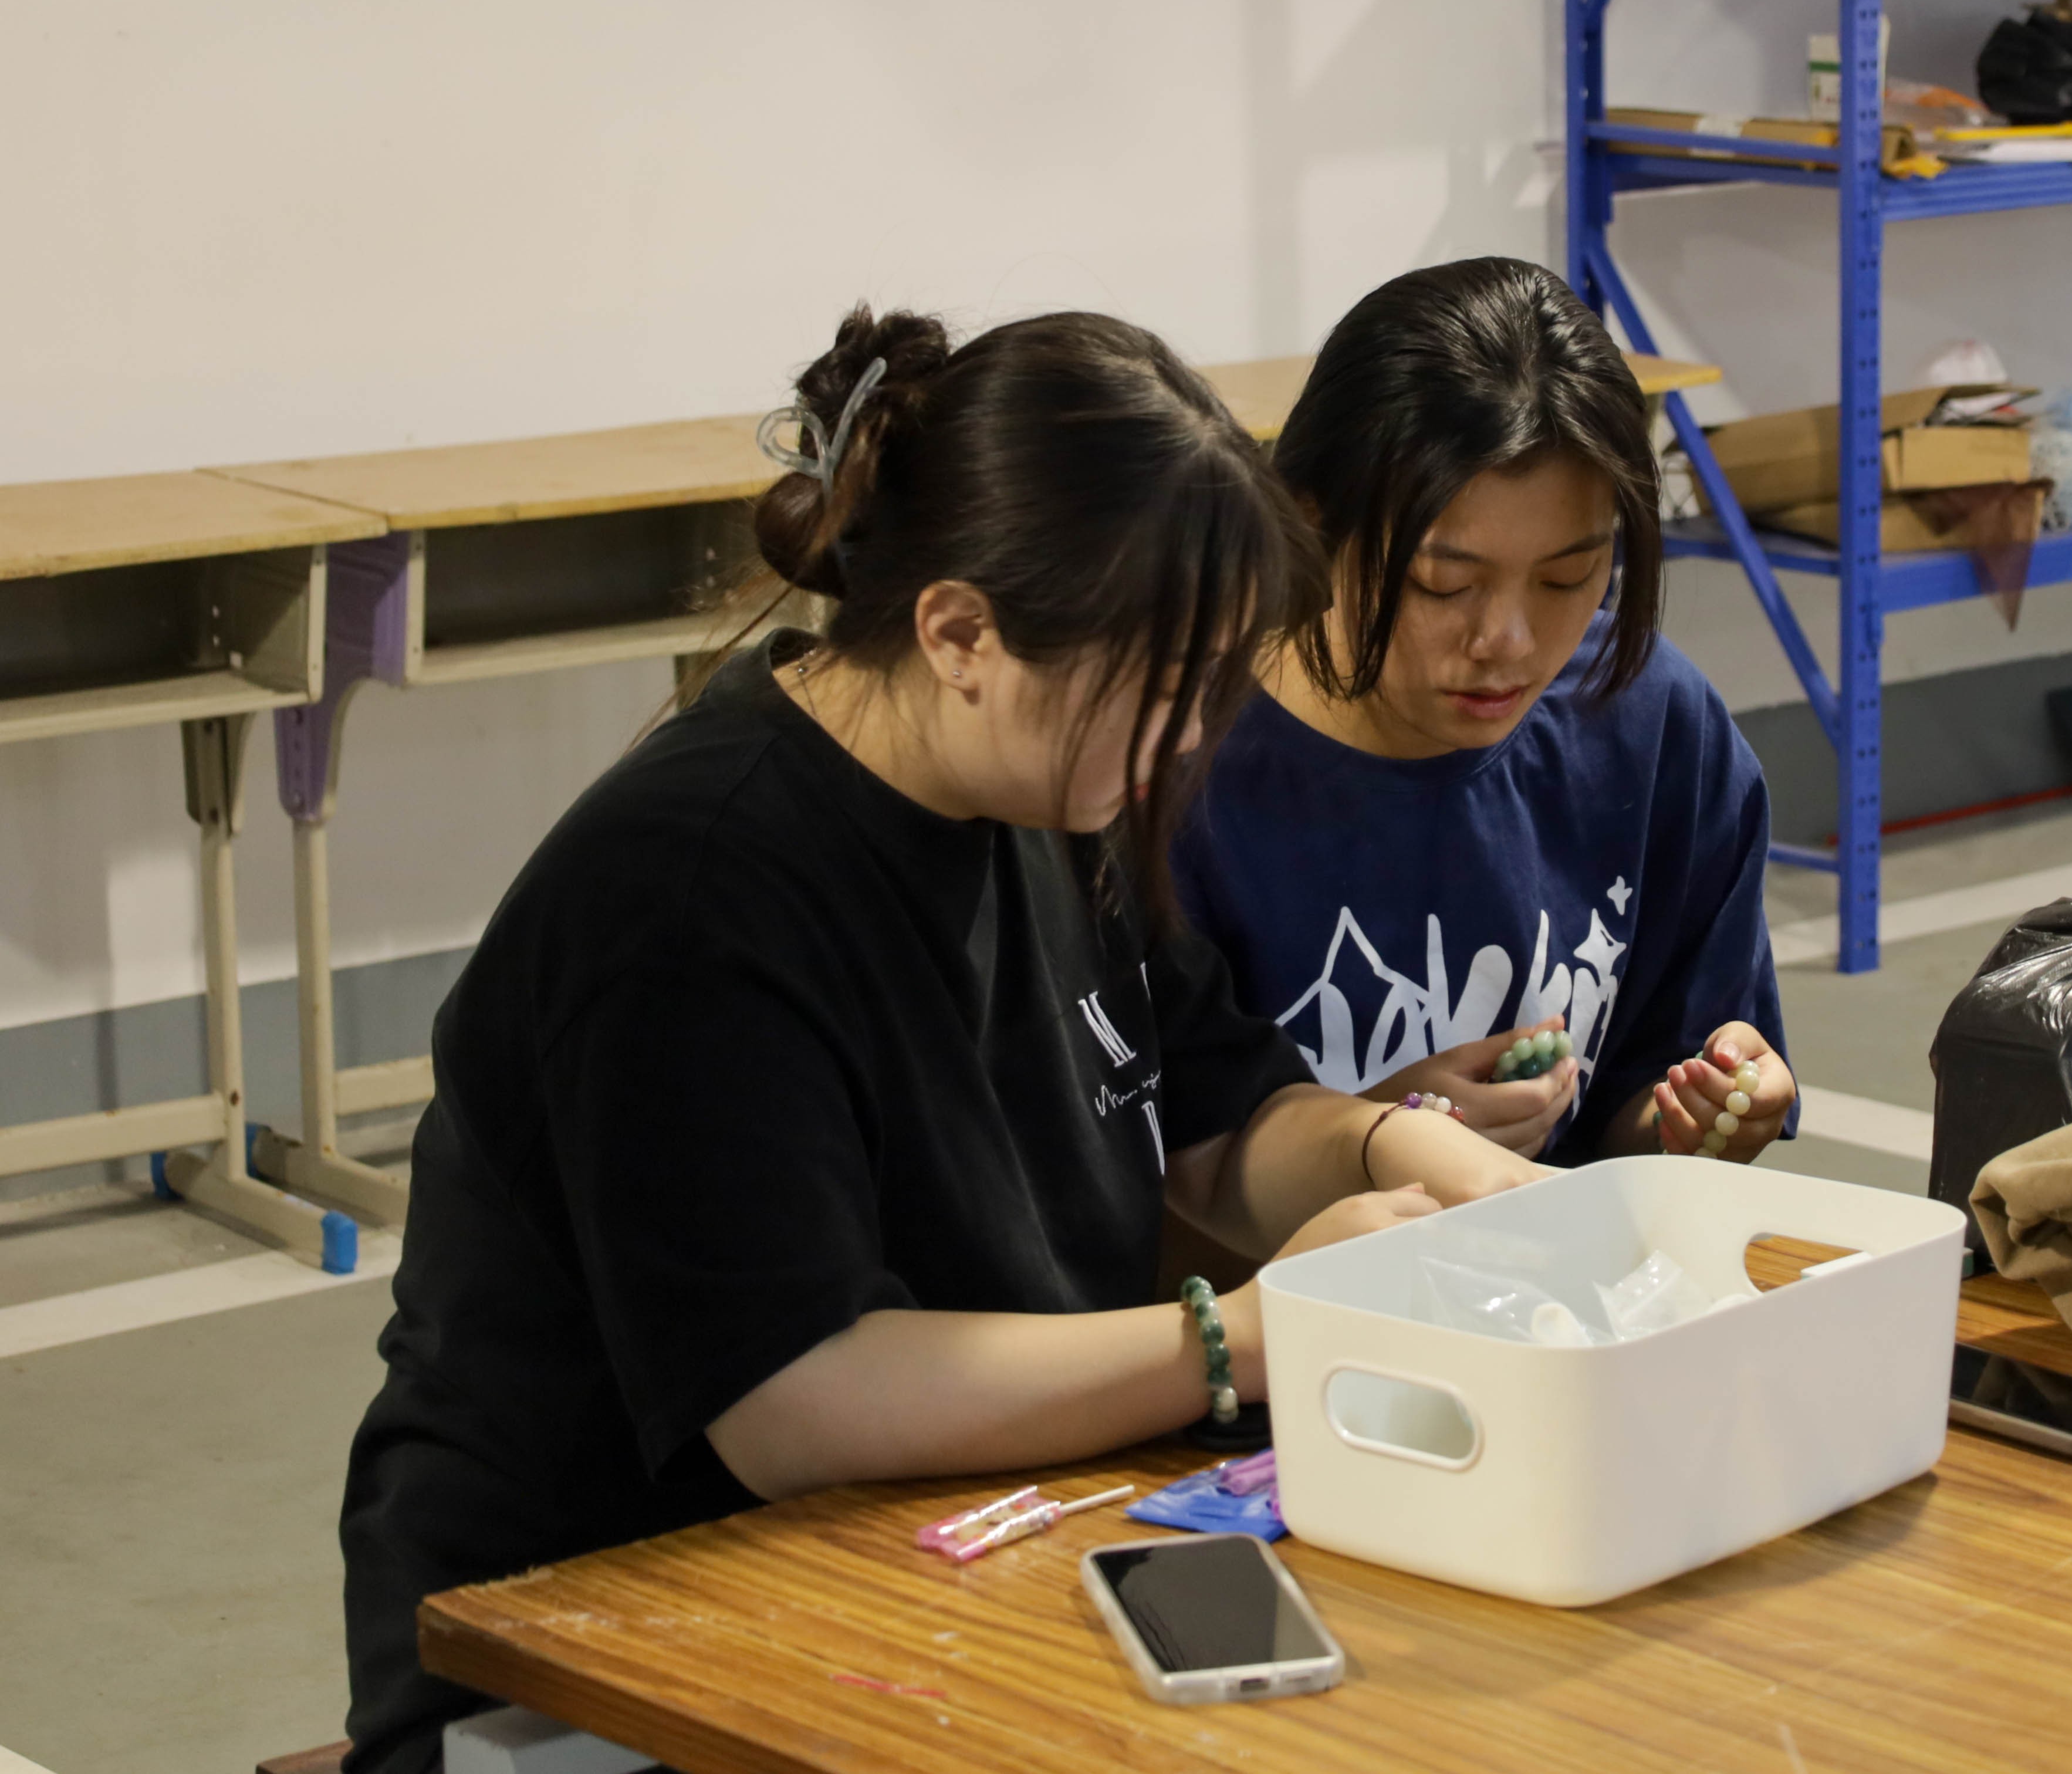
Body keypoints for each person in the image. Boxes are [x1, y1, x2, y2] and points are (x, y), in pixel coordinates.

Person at [338, 306, 1547, 1774]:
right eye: (1161, 685)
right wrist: (1243, 1335)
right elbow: (799, 1398)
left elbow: (1220, 1117)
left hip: (954, 1547)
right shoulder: (692, 886)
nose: (1189, 737)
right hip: (596, 1644)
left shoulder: (1051, 787)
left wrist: (1401, 1156)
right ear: (960, 632)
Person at [1172, 257, 1796, 1170]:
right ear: (1309, 524)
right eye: (1443, 582)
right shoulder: (1175, 769)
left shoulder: (1655, 725)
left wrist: (1698, 1120)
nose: (1507, 640)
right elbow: (1140, 1201)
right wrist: (1365, 1142)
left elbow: (1631, 1125)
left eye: (1568, 577)